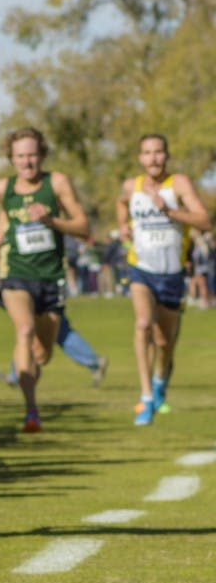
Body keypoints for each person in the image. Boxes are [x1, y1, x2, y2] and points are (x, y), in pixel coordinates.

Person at [0, 127, 89, 433]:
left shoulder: (56, 183)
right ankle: (31, 411)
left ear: (42, 155)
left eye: (31, 155)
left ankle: (30, 388)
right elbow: (6, 219)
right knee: (24, 330)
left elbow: (83, 227)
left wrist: (50, 220)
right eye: (20, 157)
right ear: (11, 158)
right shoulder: (3, 187)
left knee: (43, 352)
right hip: (16, 273)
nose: (26, 163)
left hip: (51, 275)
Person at [116, 133, 211, 425]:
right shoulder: (131, 186)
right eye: (147, 152)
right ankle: (145, 397)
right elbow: (121, 204)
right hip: (140, 268)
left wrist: (169, 211)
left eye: (158, 152)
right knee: (143, 323)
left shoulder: (178, 184)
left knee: (164, 342)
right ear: (140, 158)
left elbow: (204, 220)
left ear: (166, 156)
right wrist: (122, 226)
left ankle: (159, 382)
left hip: (171, 274)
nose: (153, 158)